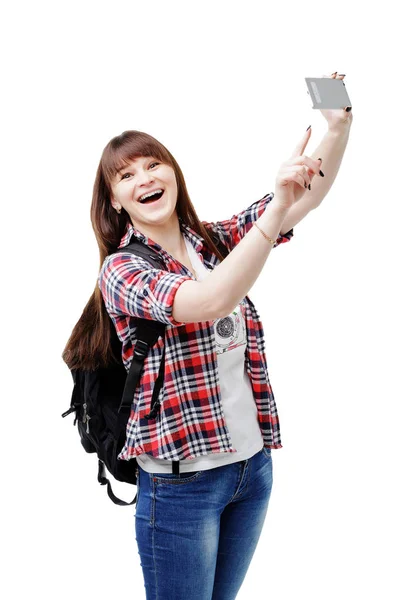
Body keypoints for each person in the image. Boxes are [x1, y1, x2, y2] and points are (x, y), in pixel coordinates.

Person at [62, 128, 323, 600]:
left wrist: (339, 118)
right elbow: (211, 298)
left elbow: (308, 193)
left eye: (152, 164)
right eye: (126, 174)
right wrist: (277, 209)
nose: (144, 178)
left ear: (173, 174)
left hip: (252, 470)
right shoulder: (121, 270)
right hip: (182, 489)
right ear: (115, 200)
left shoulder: (208, 242)